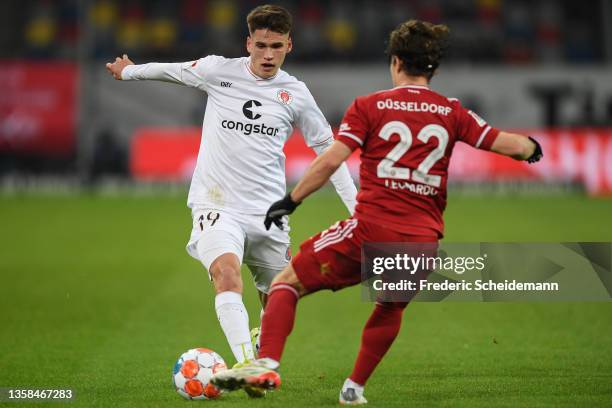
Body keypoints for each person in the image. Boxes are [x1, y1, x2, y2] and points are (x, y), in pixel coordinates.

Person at [211, 19, 543, 404]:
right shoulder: (453, 113)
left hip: (369, 231)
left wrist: (291, 200)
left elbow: (330, 160)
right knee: (389, 305)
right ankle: (354, 388)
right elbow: (513, 147)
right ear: (433, 67)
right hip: (422, 241)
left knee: (286, 283)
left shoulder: (371, 106)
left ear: (397, 61)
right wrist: (533, 148)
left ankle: (264, 364)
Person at [105, 3, 357, 375]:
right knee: (226, 273)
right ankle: (247, 366)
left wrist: (357, 207)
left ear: (290, 45)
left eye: (276, 46)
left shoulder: (297, 94)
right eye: (260, 46)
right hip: (217, 203)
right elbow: (172, 71)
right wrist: (129, 73)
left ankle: (259, 341)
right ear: (248, 43)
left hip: (269, 213)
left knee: (280, 296)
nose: (267, 55)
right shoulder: (217, 70)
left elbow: (328, 150)